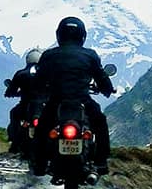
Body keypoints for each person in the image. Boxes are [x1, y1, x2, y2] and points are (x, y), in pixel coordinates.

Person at [33, 16, 114, 177]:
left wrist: (40, 91)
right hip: (82, 100)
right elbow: (102, 78)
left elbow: (39, 81)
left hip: (57, 101)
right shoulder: (90, 55)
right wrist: (107, 90)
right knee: (100, 123)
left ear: (59, 35)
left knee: (42, 128)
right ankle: (101, 162)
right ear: (82, 36)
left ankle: (40, 164)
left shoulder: (49, 55)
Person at [3, 48, 43, 155]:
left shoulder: (21, 74)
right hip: (44, 107)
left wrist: (13, 93)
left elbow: (10, 91)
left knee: (13, 114)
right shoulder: (47, 74)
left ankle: (15, 144)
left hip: (25, 107)